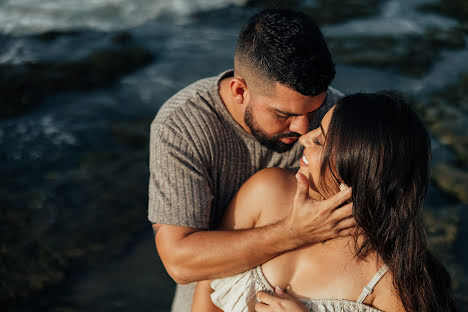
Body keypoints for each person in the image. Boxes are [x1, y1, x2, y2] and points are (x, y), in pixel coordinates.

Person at [148, 9, 355, 311]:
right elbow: (180, 262)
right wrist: (294, 231)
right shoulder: (181, 127)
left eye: (315, 109)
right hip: (213, 298)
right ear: (240, 90)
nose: (303, 129)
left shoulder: (336, 116)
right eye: (284, 114)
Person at [191, 91, 457, 312]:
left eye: (319, 140)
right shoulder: (266, 191)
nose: (304, 139)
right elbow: (209, 279)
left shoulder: (389, 281)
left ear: (352, 171)